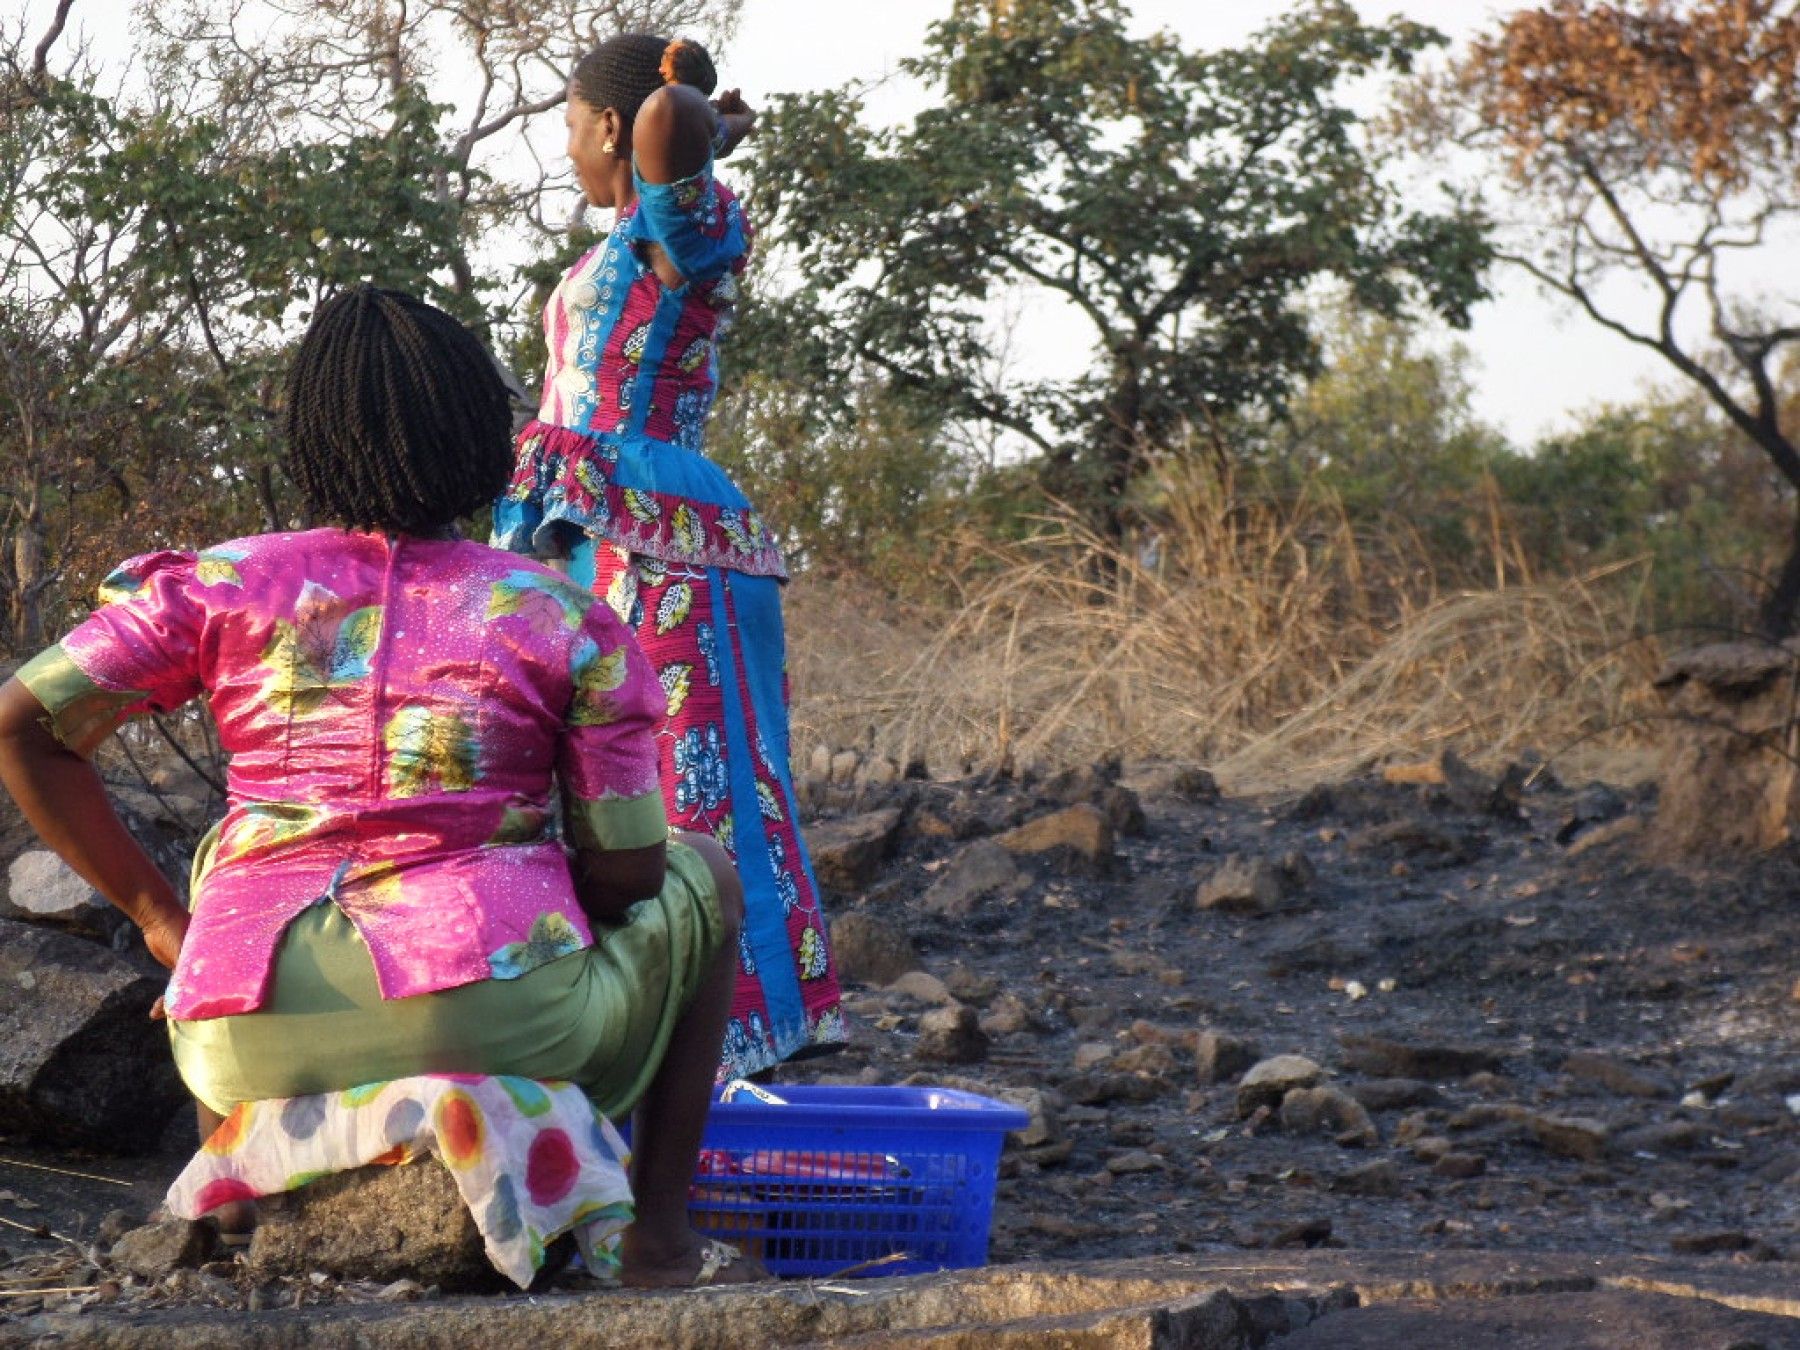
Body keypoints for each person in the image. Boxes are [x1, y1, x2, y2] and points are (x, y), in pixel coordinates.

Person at [0, 285, 766, 1288]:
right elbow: (626, 877)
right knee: (701, 868)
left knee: (227, 859)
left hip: (242, 1030)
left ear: (309, 440)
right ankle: (656, 1239)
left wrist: (154, 916)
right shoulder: (557, 614)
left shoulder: (218, 586)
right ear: (482, 442)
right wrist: (537, 885)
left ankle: (237, 1221)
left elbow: (23, 721)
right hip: (489, 1009)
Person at [494, 33, 843, 1079]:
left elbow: (666, 128)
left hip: (661, 541)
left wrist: (691, 106)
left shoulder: (688, 229)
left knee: (695, 779)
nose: (564, 151)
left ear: (607, 125)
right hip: (590, 541)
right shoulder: (636, 235)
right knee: (601, 786)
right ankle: (625, 1046)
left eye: (567, 127)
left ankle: (739, 1047)